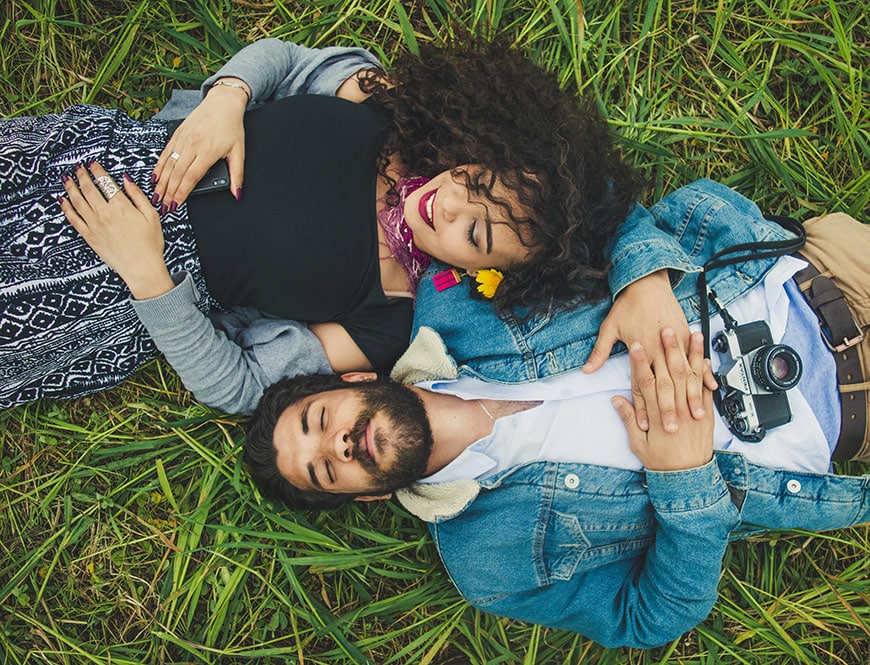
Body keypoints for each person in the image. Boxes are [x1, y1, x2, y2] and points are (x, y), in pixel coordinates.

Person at [242, 179, 870, 648]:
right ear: (363, 494)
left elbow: (584, 194)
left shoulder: (458, 295)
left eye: (318, 419)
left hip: (826, 266)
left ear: (353, 378)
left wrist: (641, 280)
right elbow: (651, 617)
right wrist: (684, 480)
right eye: (326, 469)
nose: (337, 441)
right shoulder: (489, 562)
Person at [0, 36, 641, 413]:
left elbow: (242, 388)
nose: (448, 204)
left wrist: (147, 276)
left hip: (91, 287)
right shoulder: (389, 109)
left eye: (475, 234)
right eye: (474, 181)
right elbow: (280, 57)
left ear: (489, 274)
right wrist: (229, 96)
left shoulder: (390, 315)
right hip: (89, 163)